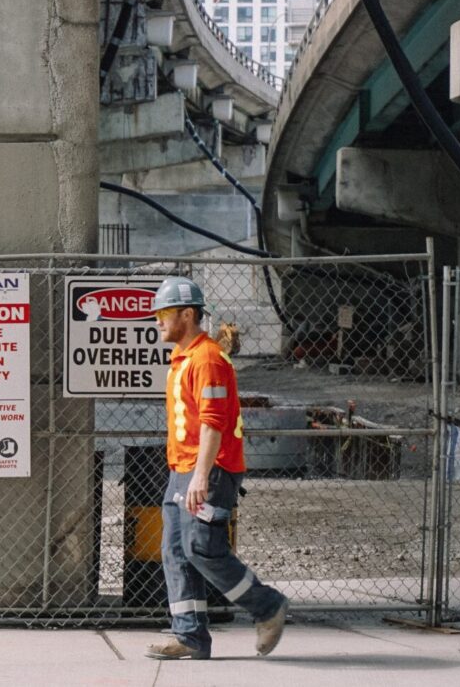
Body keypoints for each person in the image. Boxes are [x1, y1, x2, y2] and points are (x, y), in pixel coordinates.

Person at [144, 276, 288, 661]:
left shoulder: (206, 360)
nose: (157, 320)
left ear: (187, 315)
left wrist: (201, 476)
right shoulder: (185, 358)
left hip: (211, 470)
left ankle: (267, 606)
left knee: (201, 547)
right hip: (185, 470)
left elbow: (213, 422)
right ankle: (190, 636)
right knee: (175, 550)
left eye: (163, 313)